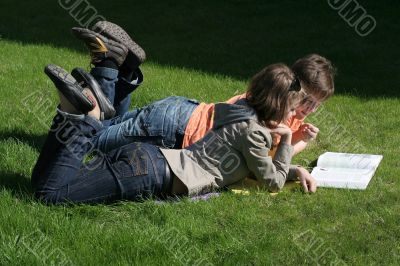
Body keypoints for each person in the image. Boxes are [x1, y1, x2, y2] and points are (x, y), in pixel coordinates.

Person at [31, 59, 304, 204]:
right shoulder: (254, 133)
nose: (292, 115)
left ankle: (71, 110)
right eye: (291, 108)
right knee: (51, 195)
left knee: (46, 183)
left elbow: (262, 168)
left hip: (150, 158)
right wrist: (287, 140)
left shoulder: (239, 110)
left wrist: (294, 169)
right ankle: (84, 117)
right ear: (278, 105)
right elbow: (272, 182)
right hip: (149, 174)